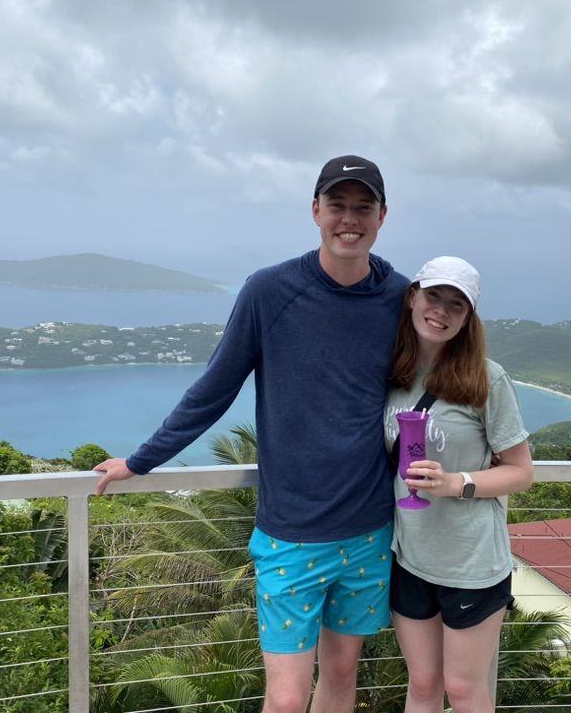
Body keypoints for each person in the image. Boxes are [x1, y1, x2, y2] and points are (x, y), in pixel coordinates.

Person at [93, 155, 409, 713]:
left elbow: (431, 386)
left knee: (340, 676)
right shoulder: (271, 290)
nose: (349, 219)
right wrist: (141, 461)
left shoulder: (399, 298)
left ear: (383, 216)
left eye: (364, 208)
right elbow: (216, 387)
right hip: (291, 530)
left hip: (369, 526)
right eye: (338, 205)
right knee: (286, 699)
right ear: (315, 210)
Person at [383, 256, 533, 713]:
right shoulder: (395, 373)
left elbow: (521, 471)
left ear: (468, 318)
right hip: (410, 557)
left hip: (471, 563)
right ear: (413, 296)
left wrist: (455, 482)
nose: (441, 311)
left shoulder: (486, 377)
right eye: (434, 296)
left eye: (456, 304)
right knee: (424, 685)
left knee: (465, 691)